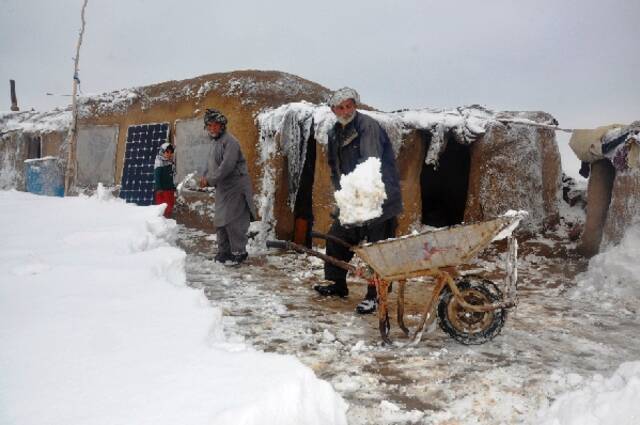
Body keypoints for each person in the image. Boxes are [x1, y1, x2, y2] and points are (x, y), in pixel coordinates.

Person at [314, 87, 403, 314]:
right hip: (354, 198)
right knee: (336, 238)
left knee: (377, 250)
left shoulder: (367, 127)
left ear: (355, 105)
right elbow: (335, 169)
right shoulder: (335, 132)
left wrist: (362, 200)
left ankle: (376, 296)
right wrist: (344, 198)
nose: (346, 111)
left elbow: (370, 165)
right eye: (340, 107)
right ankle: (336, 284)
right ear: (333, 110)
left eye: (349, 105)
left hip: (378, 197)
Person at [200, 108, 257, 265]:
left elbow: (227, 166)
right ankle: (224, 251)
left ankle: (239, 251)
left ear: (222, 125)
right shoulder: (215, 142)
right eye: (209, 126)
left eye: (215, 125)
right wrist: (204, 175)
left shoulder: (230, 142)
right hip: (223, 188)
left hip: (236, 187)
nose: (212, 128)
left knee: (234, 221)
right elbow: (209, 162)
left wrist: (211, 180)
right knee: (220, 220)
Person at [153, 142, 176, 218]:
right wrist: (159, 188)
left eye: (170, 152)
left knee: (170, 206)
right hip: (162, 191)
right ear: (162, 152)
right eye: (167, 152)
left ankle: (168, 223)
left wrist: (173, 187)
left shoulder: (170, 162)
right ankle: (163, 224)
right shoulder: (159, 162)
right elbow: (157, 176)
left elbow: (171, 176)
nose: (169, 154)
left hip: (169, 190)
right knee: (163, 208)